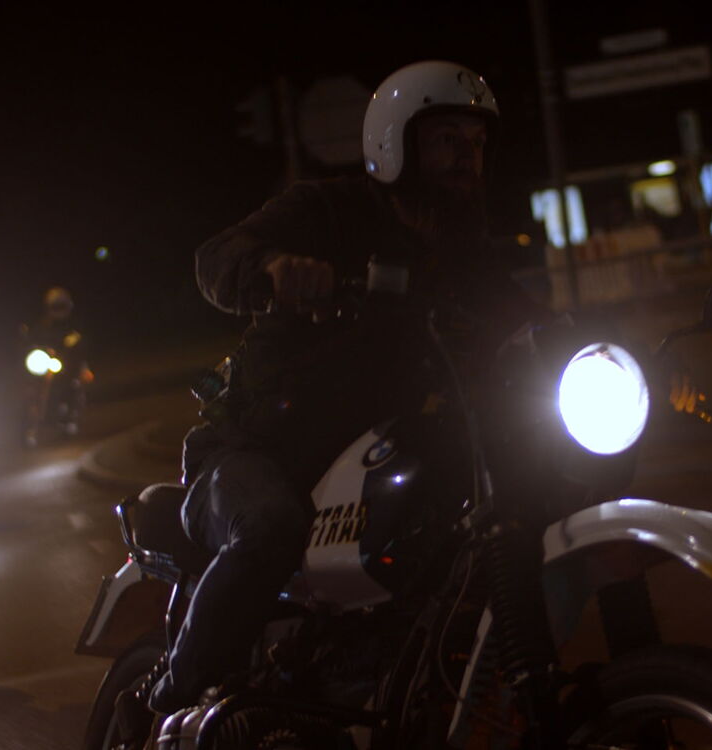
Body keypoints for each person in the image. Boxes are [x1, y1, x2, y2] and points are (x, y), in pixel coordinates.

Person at [149, 60, 549, 715]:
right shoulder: (326, 210)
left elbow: (522, 317)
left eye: (476, 144)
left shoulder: (462, 253)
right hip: (255, 450)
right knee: (272, 528)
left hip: (364, 460)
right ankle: (173, 696)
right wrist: (274, 267)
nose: (465, 158)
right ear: (395, 143)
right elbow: (216, 257)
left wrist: (612, 348)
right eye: (447, 140)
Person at [19, 286, 91, 445]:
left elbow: (80, 341)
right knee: (29, 387)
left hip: (66, 366)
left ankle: (69, 419)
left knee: (73, 383)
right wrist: (28, 345)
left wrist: (72, 346)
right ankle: (28, 424)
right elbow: (31, 340)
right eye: (55, 307)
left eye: (61, 307)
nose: (58, 310)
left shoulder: (73, 325)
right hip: (44, 363)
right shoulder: (42, 325)